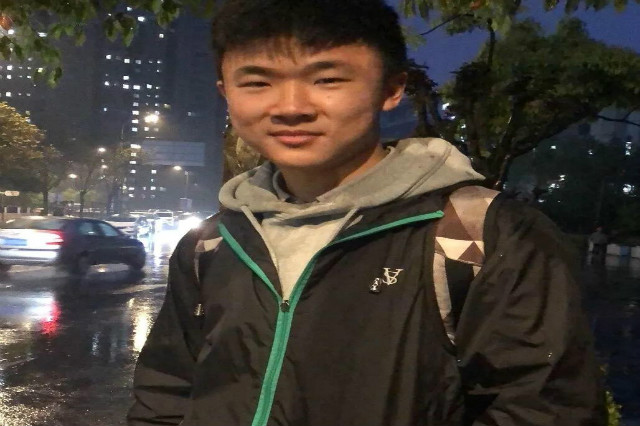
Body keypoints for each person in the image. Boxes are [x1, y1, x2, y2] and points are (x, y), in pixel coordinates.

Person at [128, 1, 606, 425]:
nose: (290, 107)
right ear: (226, 93)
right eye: (257, 82)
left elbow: (545, 409)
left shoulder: (482, 234)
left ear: (391, 88)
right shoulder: (213, 243)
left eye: (327, 79)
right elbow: (166, 393)